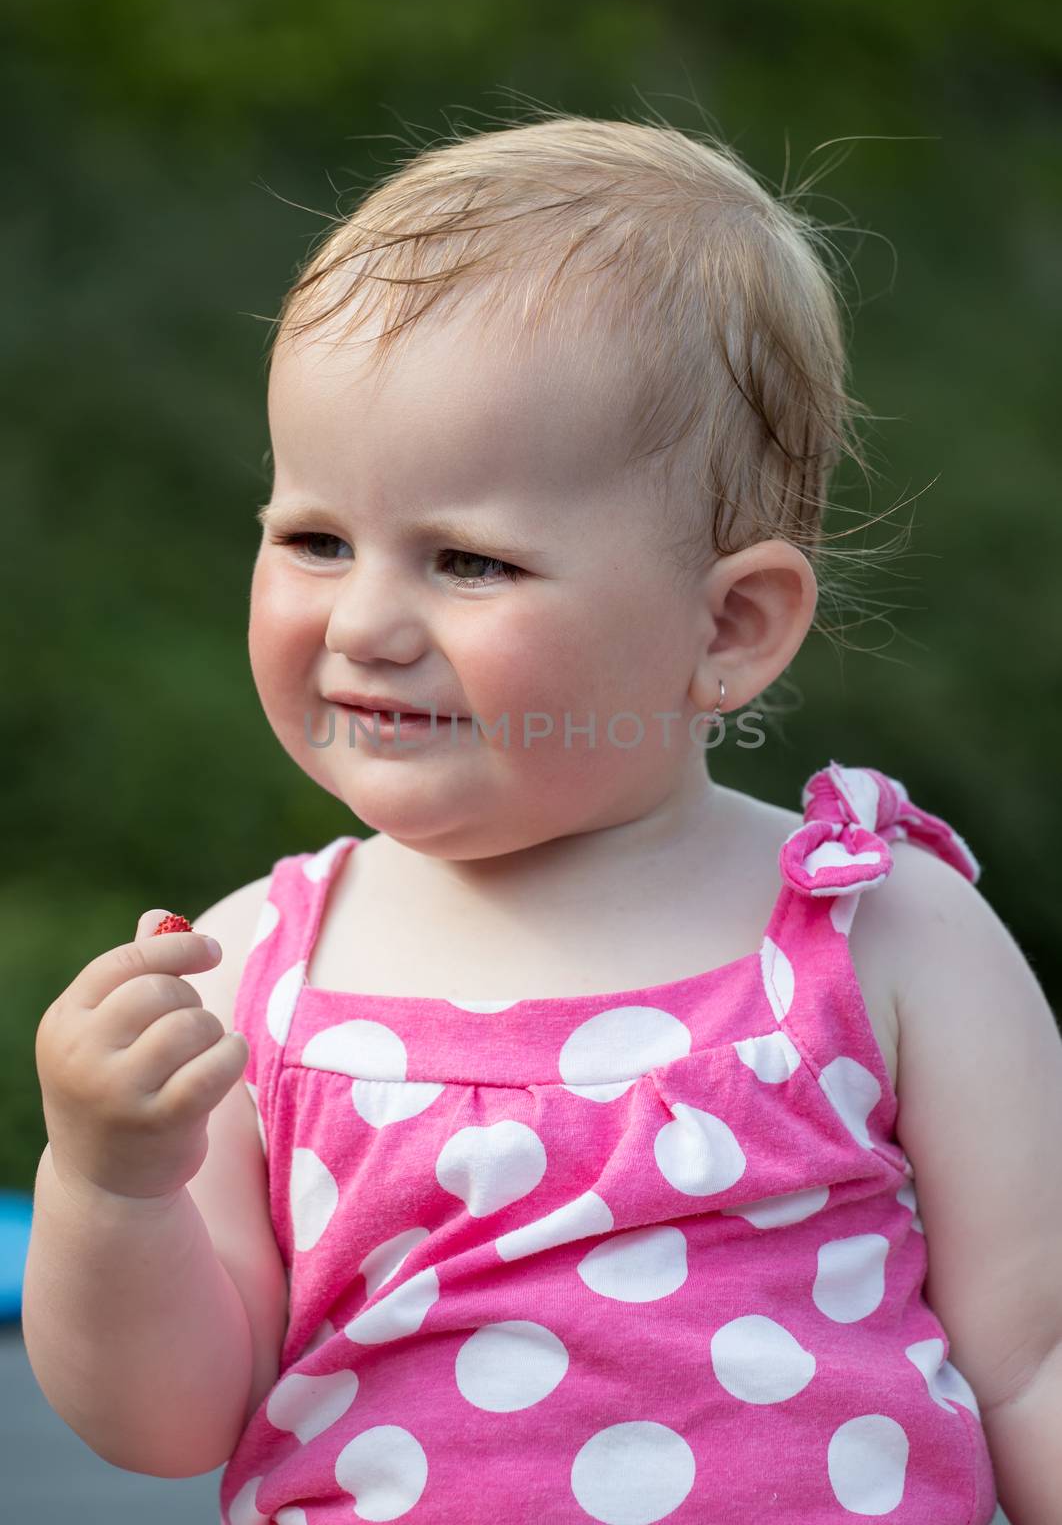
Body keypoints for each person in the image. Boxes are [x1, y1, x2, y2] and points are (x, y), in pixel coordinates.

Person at [25, 114, 1058, 1524]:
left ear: (731, 625)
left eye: (467, 560)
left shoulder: (876, 929)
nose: (366, 622)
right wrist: (112, 1186)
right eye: (314, 538)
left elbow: (1032, 1363)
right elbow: (167, 1422)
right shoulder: (258, 970)